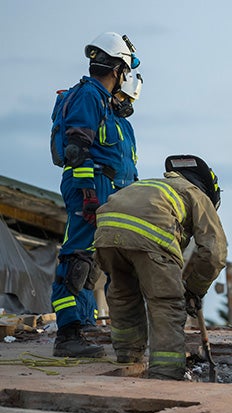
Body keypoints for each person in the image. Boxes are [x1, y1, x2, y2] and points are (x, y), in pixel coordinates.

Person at [94, 155, 227, 380]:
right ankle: (166, 373)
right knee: (166, 303)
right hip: (149, 235)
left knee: (123, 295)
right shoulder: (197, 194)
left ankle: (128, 355)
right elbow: (215, 254)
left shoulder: (152, 185)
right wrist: (194, 288)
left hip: (106, 234)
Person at [50, 32, 141, 358]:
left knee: (90, 262)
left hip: (102, 188)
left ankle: (82, 327)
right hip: (89, 186)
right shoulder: (89, 95)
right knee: (77, 259)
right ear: (118, 69)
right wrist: (89, 193)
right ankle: (68, 333)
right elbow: (77, 148)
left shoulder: (100, 100)